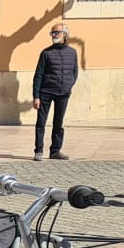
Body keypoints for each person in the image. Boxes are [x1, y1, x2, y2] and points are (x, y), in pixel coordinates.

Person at [31, 22, 77, 160]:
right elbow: (38, 75)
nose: (54, 35)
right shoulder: (46, 53)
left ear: (65, 35)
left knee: (58, 123)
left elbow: (75, 73)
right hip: (46, 92)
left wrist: (68, 85)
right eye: (52, 33)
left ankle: (55, 151)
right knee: (41, 123)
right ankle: (38, 151)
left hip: (63, 93)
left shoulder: (72, 53)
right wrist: (36, 96)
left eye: (56, 32)